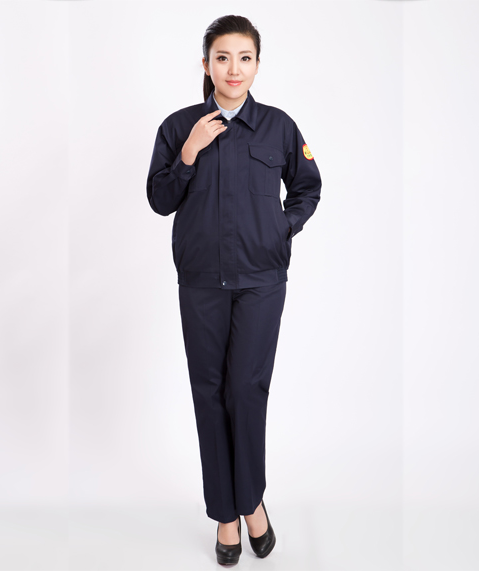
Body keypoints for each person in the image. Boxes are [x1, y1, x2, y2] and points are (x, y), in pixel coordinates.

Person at [146, 14, 322, 565]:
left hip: (261, 281)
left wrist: (280, 228)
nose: (233, 69)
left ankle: (252, 503)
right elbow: (159, 199)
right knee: (209, 393)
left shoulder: (278, 127)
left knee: (246, 392)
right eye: (222, 58)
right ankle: (226, 514)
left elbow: (308, 187)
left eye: (244, 58)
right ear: (206, 65)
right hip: (201, 281)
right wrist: (190, 152)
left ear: (257, 65)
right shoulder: (179, 127)